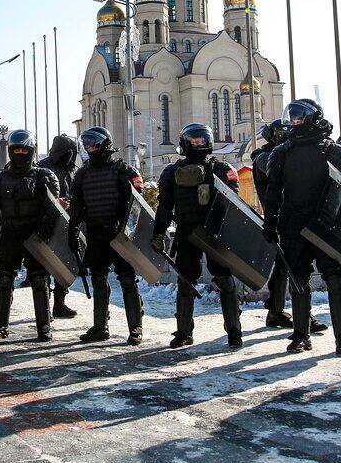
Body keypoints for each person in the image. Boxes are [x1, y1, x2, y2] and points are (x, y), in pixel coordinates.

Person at [263, 99, 341, 355]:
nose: (294, 121)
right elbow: (273, 192)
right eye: (292, 117)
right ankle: (301, 335)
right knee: (297, 279)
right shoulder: (282, 152)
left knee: (334, 278)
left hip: (325, 223)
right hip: (293, 224)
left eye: (299, 117)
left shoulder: (334, 151)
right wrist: (270, 222)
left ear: (313, 118)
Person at [151, 123, 243, 349]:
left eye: (202, 139)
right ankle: (184, 332)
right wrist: (158, 233)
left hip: (215, 233)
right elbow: (164, 207)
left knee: (224, 280)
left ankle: (234, 331)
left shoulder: (221, 169)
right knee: (185, 282)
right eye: (194, 140)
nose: (199, 143)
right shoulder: (171, 172)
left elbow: (233, 204)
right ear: (185, 143)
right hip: (187, 232)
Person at [67, 127, 146, 344]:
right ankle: (100, 327)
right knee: (98, 279)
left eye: (93, 143)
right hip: (95, 234)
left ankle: (136, 328)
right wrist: (73, 231)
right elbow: (76, 207)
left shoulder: (123, 170)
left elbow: (137, 206)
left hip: (119, 234)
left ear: (105, 145)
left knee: (127, 279)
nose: (90, 148)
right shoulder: (82, 174)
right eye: (87, 144)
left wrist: (130, 234)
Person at [0, 130, 60, 341]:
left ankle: (44, 327)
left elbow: (53, 210)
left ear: (31, 151)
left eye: (24, 150)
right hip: (10, 234)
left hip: (35, 234)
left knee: (39, 279)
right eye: (16, 150)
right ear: (10, 150)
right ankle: (0, 326)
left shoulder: (44, 176)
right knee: (4, 278)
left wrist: (44, 232)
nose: (20, 153)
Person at [251, 120, 292, 329]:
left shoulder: (287, 153)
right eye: (281, 135)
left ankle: (276, 310)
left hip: (293, 215)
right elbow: (273, 167)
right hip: (276, 217)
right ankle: (279, 311)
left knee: (286, 265)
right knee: (287, 264)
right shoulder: (262, 156)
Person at [39, 134, 79, 319]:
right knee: (46, 265)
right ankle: (45, 307)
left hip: (67, 223)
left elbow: (76, 192)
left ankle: (60, 303)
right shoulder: (43, 167)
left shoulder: (72, 169)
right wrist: (54, 203)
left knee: (64, 264)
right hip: (47, 223)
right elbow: (36, 195)